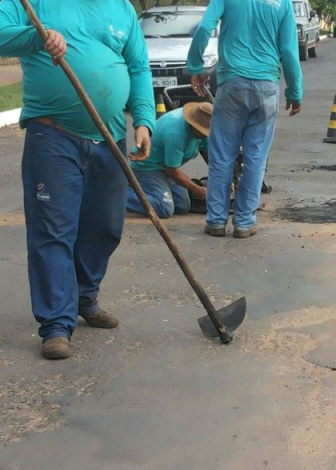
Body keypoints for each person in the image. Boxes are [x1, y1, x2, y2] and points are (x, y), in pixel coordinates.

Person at [0, 0, 155, 359]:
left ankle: (85, 296)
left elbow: (138, 66)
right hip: (52, 136)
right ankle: (55, 323)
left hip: (110, 137)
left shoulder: (121, 8)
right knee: (53, 231)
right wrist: (36, 37)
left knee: (105, 226)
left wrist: (144, 120)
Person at [188, 0, 303, 239]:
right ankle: (244, 222)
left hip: (232, 85)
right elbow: (290, 51)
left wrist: (196, 66)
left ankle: (217, 221)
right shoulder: (283, 3)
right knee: (256, 158)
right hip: (266, 87)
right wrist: (295, 91)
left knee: (222, 156)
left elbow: (203, 28)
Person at [127, 102, 212, 219]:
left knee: (182, 206)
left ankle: (148, 189)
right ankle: (117, 195)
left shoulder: (203, 127)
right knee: (164, 207)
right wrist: (197, 190)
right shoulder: (176, 134)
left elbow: (208, 153)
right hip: (148, 166)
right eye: (202, 132)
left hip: (165, 166)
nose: (205, 135)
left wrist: (222, 177)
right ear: (193, 125)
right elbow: (172, 170)